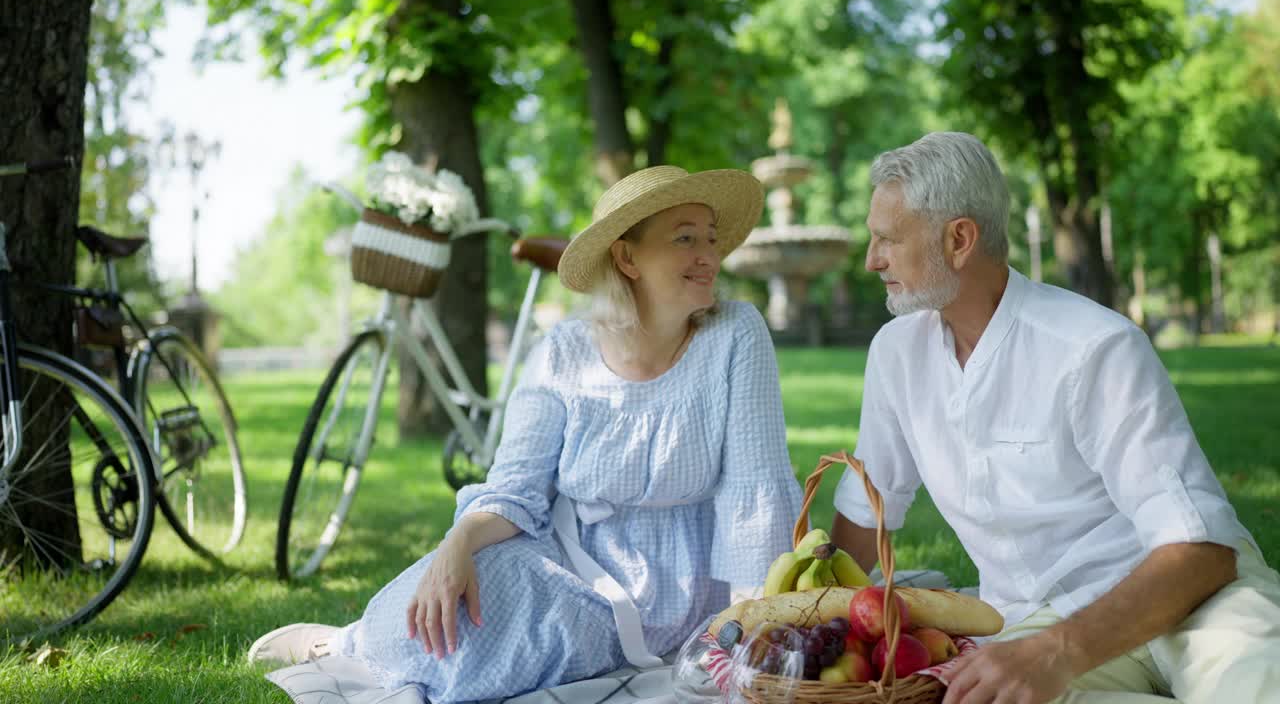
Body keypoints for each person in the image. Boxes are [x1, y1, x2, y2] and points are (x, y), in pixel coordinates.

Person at [249, 165, 803, 702]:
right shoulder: (562, 352)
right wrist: (457, 543)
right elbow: (517, 486)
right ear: (627, 257)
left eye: (710, 238)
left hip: (696, 591)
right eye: (685, 239)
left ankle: (388, 648)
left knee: (480, 657)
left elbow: (754, 490)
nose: (709, 255)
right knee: (423, 620)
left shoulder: (736, 334)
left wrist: (751, 619)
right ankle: (349, 642)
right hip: (574, 572)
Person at [831, 132, 1280, 704]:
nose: (872, 259)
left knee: (1258, 684)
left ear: (959, 240)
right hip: (1037, 622)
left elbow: (1200, 548)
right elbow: (867, 507)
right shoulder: (895, 354)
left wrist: (1056, 653)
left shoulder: (1093, 346)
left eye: (888, 239)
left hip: (1191, 600)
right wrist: (812, 617)